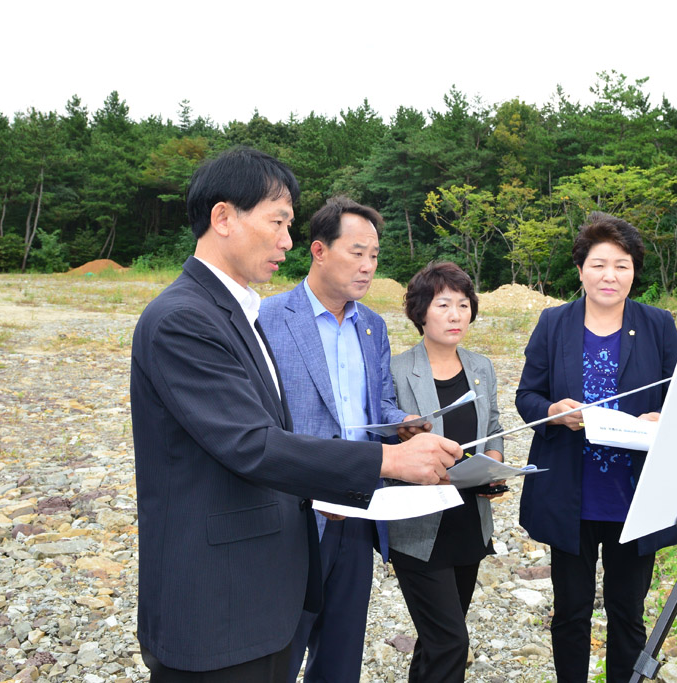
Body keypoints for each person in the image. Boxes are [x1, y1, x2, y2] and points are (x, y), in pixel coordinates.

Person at [130, 146, 459, 683]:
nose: (287, 240)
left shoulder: (237, 312)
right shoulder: (183, 319)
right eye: (278, 222)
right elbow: (253, 444)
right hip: (220, 603)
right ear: (224, 218)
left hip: (264, 585)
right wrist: (390, 462)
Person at [259, 196, 425, 682]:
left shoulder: (371, 325)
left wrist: (401, 423)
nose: (368, 267)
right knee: (277, 652)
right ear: (319, 250)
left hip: (358, 508)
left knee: (340, 654)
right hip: (294, 512)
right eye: (357, 253)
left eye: (374, 256)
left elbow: (379, 403)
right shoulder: (268, 318)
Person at [515, 212, 677, 682]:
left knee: (627, 613)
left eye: (622, 265)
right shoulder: (554, 323)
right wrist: (552, 413)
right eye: (600, 264)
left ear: (635, 271)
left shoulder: (657, 325)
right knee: (570, 611)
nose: (610, 275)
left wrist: (663, 418)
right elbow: (527, 395)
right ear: (581, 269)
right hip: (572, 493)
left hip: (633, 495)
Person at [388, 261, 506, 683]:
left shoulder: (481, 367)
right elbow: (382, 436)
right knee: (451, 641)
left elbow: (493, 426)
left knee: (435, 638)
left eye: (463, 304)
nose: (456, 314)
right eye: (443, 304)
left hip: (468, 520)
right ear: (421, 311)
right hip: (418, 528)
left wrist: (494, 464)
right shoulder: (397, 369)